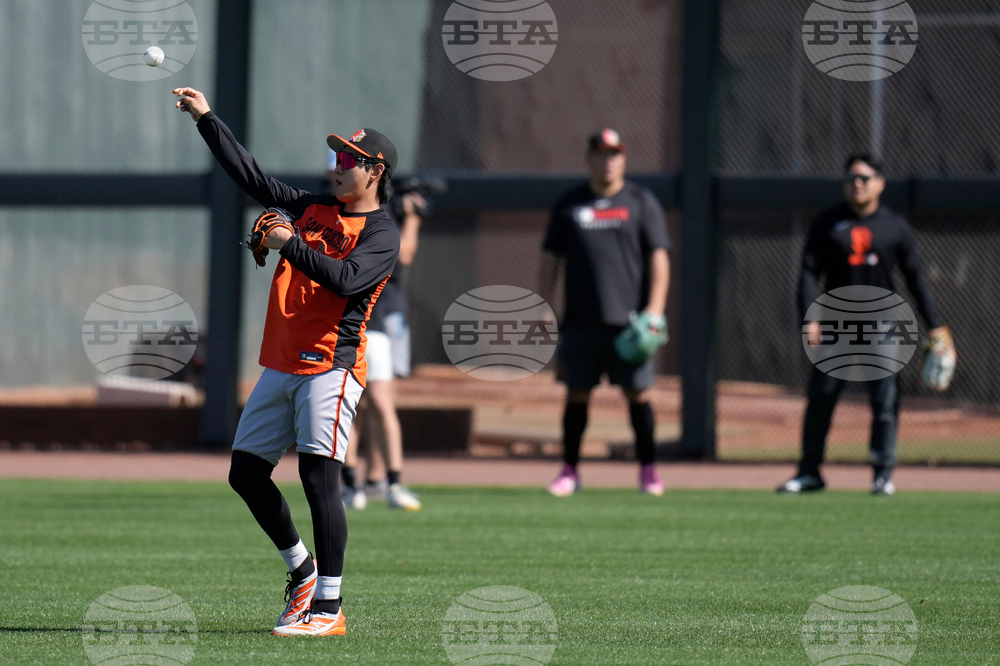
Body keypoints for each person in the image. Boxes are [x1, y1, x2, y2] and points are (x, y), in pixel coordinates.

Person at [174, 87, 400, 636]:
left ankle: (329, 609)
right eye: (337, 157)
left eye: (348, 159)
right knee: (246, 473)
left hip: (331, 364)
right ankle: (301, 568)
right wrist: (207, 119)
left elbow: (346, 280)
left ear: (375, 171)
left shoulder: (381, 233)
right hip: (281, 363)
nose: (338, 165)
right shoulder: (313, 209)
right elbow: (252, 178)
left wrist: (288, 243)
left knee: (319, 479)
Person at [779, 154, 948, 496]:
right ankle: (810, 472)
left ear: (880, 184)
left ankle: (882, 474)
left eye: (864, 178)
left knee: (885, 401)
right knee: (821, 399)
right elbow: (808, 274)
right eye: (851, 179)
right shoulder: (827, 223)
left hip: (882, 323)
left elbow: (915, 278)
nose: (857, 184)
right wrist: (808, 316)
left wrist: (935, 327)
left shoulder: (894, 225)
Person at [539, 128, 671, 497]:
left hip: (630, 326)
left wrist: (656, 311)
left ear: (623, 159)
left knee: (638, 395)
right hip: (581, 321)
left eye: (615, 154)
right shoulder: (570, 204)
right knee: (576, 395)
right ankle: (569, 471)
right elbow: (550, 258)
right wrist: (543, 303)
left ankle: (648, 471)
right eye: (602, 153)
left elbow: (659, 257)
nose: (608, 160)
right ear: (590, 158)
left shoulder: (641, 202)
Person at [331, 151, 426, 512]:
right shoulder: (352, 216)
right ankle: (353, 483)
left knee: (381, 404)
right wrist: (413, 218)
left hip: (381, 324)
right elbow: (405, 255)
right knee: (353, 406)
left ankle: (389, 482)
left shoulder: (381, 221)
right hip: (357, 325)